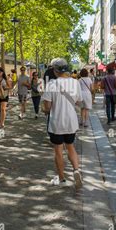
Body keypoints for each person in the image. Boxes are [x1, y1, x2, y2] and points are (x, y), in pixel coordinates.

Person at [42, 58, 83, 189]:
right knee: (70, 146)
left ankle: (61, 178)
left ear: (55, 70)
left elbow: (47, 107)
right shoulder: (75, 83)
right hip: (71, 122)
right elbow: (78, 101)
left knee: (58, 150)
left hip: (56, 123)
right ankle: (76, 169)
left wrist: (44, 109)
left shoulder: (51, 84)